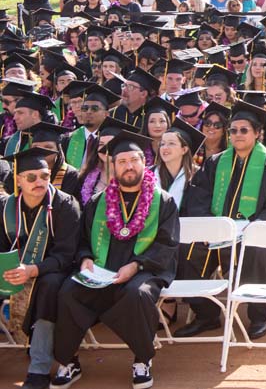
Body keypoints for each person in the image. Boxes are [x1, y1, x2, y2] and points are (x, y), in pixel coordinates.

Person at [52, 129, 180, 389]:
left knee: (137, 294)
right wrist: (86, 259)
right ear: (113, 165)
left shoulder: (163, 201)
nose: (129, 166)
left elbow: (167, 243)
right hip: (101, 268)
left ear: (144, 163)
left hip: (146, 267)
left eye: (134, 160)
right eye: (122, 161)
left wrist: (135, 265)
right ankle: (69, 360)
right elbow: (84, 241)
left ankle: (143, 359)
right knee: (68, 291)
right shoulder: (98, 201)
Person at [176, 101, 266, 341]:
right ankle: (207, 314)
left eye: (244, 130)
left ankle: (259, 315)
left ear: (257, 133)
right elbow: (198, 197)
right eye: (233, 130)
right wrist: (212, 226)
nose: (237, 134)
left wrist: (252, 225)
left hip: (255, 232)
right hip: (218, 233)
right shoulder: (215, 162)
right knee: (184, 253)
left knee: (260, 252)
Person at [0, 148, 81, 389]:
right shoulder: (5, 207)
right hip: (16, 270)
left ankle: (39, 369)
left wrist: (33, 270)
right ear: (18, 180)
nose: (39, 182)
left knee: (49, 288)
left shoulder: (65, 205)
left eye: (44, 176)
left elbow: (67, 255)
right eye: (31, 177)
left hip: (54, 271)